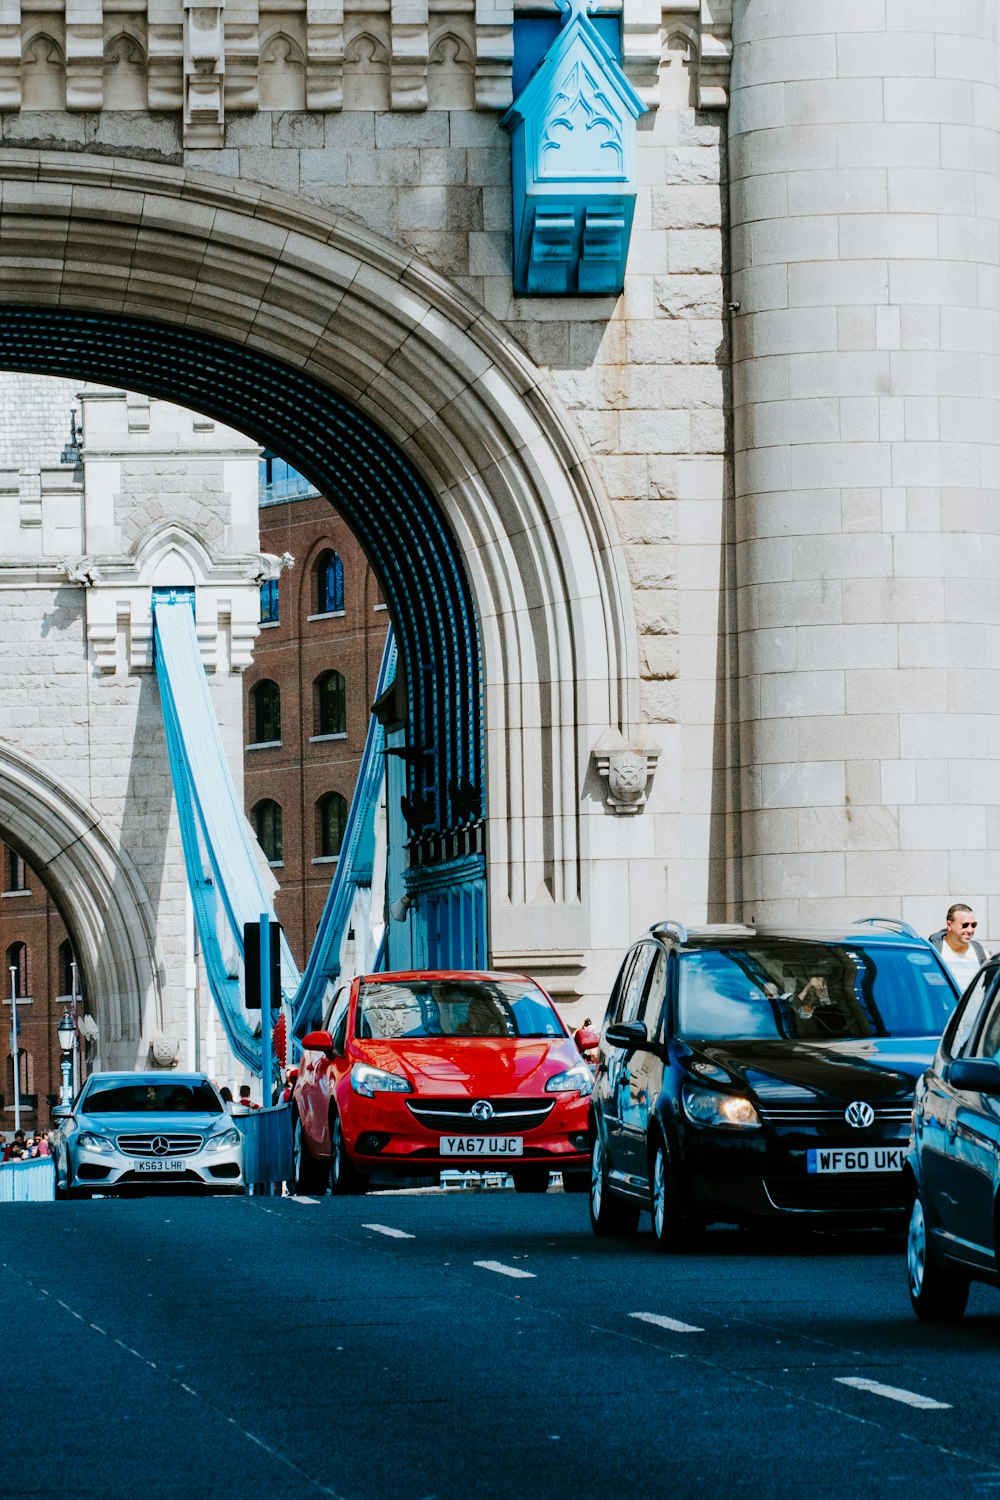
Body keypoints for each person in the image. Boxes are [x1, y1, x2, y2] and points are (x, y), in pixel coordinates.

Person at [930, 903, 990, 994]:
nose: (970, 930)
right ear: (949, 925)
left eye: (973, 925)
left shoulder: (981, 953)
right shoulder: (935, 953)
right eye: (965, 925)